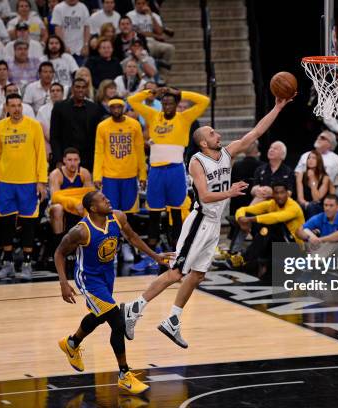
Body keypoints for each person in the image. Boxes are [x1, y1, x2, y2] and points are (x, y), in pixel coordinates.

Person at [122, 95, 292, 348]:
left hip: (213, 225)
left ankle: (173, 320)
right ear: (203, 141)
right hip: (200, 221)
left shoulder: (226, 153)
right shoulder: (196, 162)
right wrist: (231, 192)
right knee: (176, 273)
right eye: (212, 133)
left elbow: (255, 132)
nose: (218, 134)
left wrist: (277, 106)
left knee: (198, 275)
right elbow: (204, 195)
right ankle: (133, 309)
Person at [55, 191, 169, 393]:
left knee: (100, 316)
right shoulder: (81, 231)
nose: (107, 199)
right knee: (117, 322)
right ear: (92, 208)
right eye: (102, 199)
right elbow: (59, 253)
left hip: (108, 274)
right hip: (89, 280)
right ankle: (124, 374)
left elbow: (132, 237)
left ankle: (72, 343)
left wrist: (156, 256)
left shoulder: (118, 216)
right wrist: (64, 283)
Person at [128, 86, 209, 251]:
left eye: (171, 103)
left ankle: (177, 250)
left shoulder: (185, 117)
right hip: (156, 170)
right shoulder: (153, 115)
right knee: (154, 211)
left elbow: (204, 101)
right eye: (164, 103)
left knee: (176, 211)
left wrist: (181, 93)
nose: (167, 106)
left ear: (176, 104)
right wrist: (151, 93)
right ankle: (151, 252)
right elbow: (132, 100)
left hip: (175, 170)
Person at [0, 93, 48, 281]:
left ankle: (27, 264)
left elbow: (41, 155)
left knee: (29, 222)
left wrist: (41, 181)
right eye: (12, 105)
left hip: (28, 182)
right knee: (5, 222)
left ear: (23, 106)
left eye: (18, 105)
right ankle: (8, 264)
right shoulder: (0, 127)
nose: (16, 109)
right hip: (6, 183)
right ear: (6, 108)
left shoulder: (34, 126)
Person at [94, 98, 145, 213]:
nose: (116, 110)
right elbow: (99, 153)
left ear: (124, 108)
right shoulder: (102, 126)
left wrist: (143, 175)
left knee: (129, 211)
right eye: (113, 107)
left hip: (130, 174)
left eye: (119, 107)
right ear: (109, 109)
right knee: (110, 210)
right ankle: (113, 232)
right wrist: (97, 176)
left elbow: (140, 151)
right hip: (109, 176)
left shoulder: (135, 125)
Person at [50, 77, 104, 169]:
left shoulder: (94, 108)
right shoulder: (59, 107)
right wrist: (59, 160)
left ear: (86, 89)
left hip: (88, 160)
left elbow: (97, 137)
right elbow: (54, 136)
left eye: (83, 87)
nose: (80, 90)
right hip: (66, 159)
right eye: (77, 87)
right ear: (72, 89)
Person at [48, 147, 92, 251]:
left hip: (79, 207)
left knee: (92, 207)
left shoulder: (84, 173)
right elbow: (55, 197)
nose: (73, 163)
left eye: (75, 160)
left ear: (79, 161)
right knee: (57, 208)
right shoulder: (56, 174)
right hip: (62, 207)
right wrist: (74, 202)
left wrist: (79, 203)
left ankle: (90, 245)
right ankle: (59, 247)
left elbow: (90, 196)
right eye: (69, 160)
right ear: (64, 160)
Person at [126, 0, 174, 76]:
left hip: (154, 42)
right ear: (135, 5)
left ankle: (161, 76)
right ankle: (148, 73)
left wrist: (151, 15)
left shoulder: (154, 15)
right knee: (148, 48)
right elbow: (138, 31)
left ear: (147, 4)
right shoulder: (130, 15)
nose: (141, 5)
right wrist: (155, 36)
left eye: (143, 3)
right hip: (140, 42)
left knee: (169, 48)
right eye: (138, 3)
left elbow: (159, 31)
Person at [295, 150, 334, 217]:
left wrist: (312, 179)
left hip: (319, 206)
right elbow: (300, 198)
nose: (310, 160)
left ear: (319, 161)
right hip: (305, 204)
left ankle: (311, 227)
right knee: (298, 206)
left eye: (314, 158)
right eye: (309, 158)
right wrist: (306, 203)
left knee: (312, 206)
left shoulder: (325, 178)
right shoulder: (301, 175)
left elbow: (316, 199)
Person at [52, 0, 90, 64]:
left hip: (80, 50)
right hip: (64, 50)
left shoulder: (83, 7)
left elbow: (87, 27)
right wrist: (63, 46)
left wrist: (86, 45)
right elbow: (58, 28)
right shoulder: (58, 8)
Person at [37, 82, 64, 156]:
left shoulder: (69, 107)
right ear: (49, 93)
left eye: (58, 90)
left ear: (62, 93)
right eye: (52, 91)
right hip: (48, 143)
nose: (55, 93)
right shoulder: (42, 110)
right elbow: (43, 130)